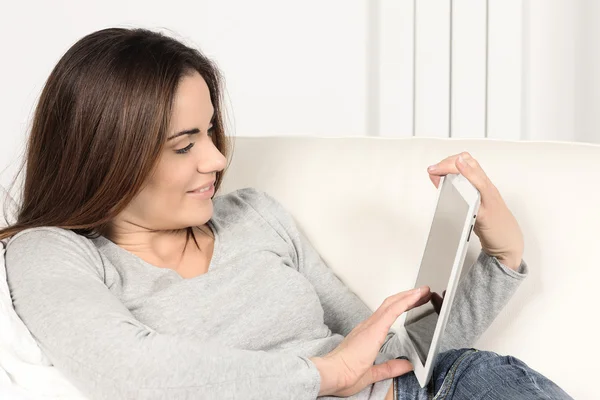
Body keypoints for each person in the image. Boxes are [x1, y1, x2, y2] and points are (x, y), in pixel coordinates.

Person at [0, 27, 572, 400]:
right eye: (185, 144)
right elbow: (124, 371)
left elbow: (391, 360)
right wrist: (323, 376)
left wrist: (502, 258)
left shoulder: (255, 217)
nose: (218, 157)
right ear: (106, 153)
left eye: (211, 132)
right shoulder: (53, 251)